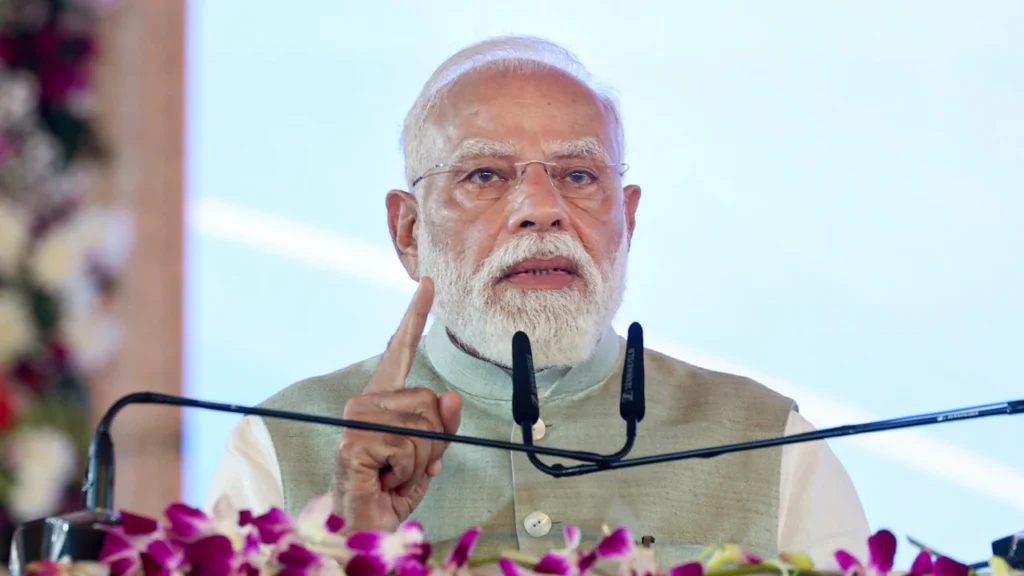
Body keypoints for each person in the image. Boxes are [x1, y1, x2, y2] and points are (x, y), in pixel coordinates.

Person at [206, 35, 870, 567]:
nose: (542, 210)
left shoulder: (769, 444)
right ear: (409, 232)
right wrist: (350, 545)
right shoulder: (279, 445)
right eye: (485, 176)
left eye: (579, 176)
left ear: (626, 221)